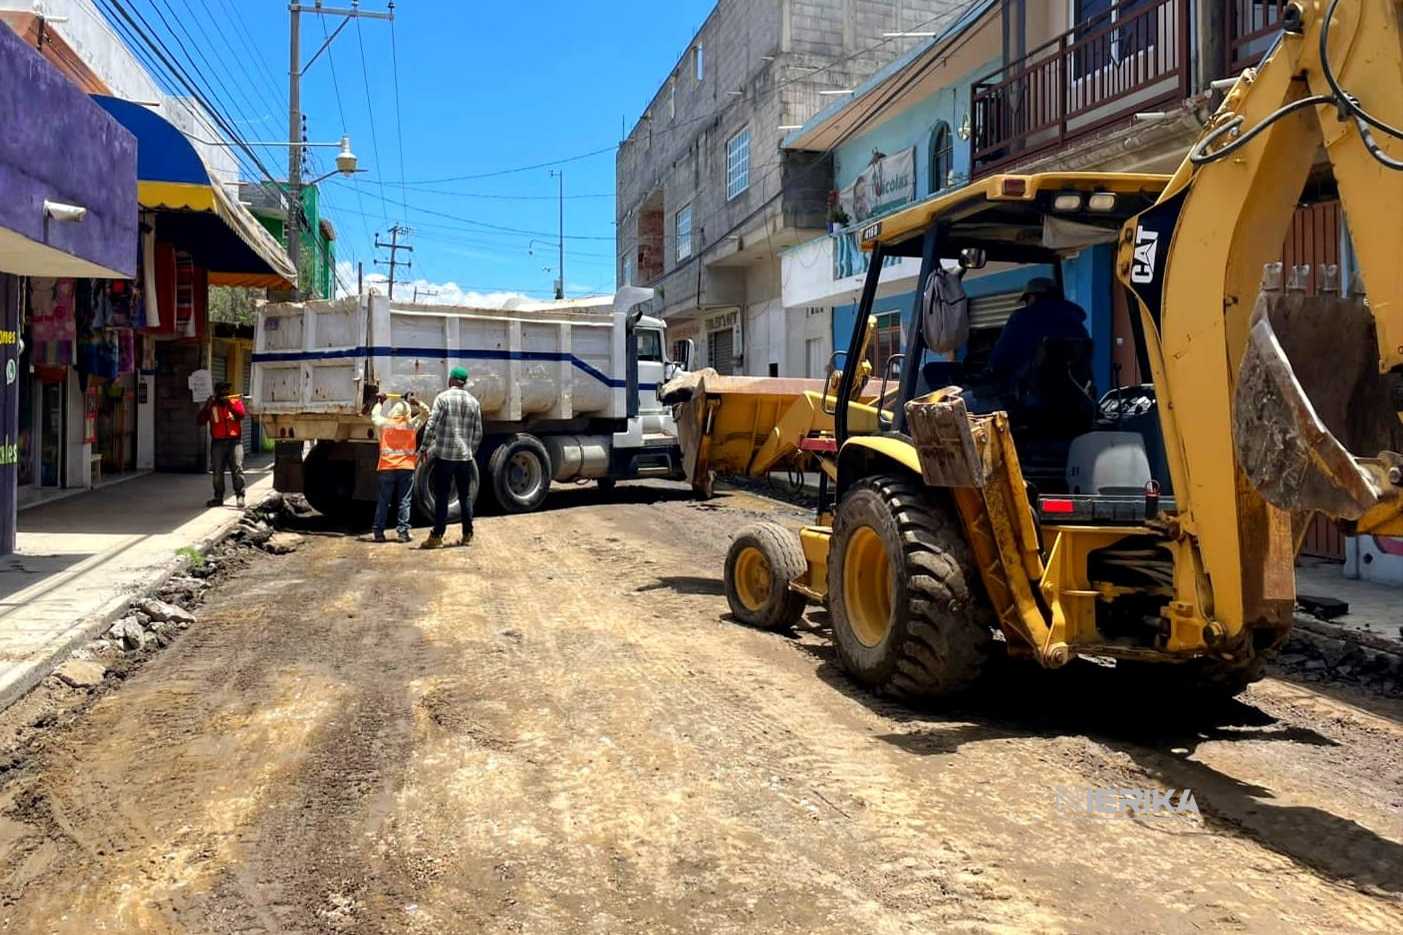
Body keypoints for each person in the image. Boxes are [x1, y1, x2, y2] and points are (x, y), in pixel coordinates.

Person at [987, 277, 1090, 394]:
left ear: (1033, 297)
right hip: (1075, 397)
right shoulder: (1075, 322)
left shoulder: (1022, 318)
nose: (1026, 304)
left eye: (1026, 300)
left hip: (1032, 400)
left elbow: (999, 358)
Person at [419, 366, 483, 550]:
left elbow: (431, 425)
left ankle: (437, 535)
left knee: (442, 496)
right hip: (464, 458)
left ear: (452, 380)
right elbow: (478, 433)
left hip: (445, 456)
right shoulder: (474, 402)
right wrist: (470, 452)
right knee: (465, 496)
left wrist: (424, 447)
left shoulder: (443, 398)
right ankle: (467, 534)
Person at [370, 392, 429, 543]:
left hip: (387, 467)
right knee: (404, 501)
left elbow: (374, 415)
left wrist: (380, 402)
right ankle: (403, 532)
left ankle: (378, 533)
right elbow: (426, 412)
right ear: (407, 413)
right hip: (406, 467)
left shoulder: (384, 424)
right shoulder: (410, 425)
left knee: (384, 501)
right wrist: (416, 402)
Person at [197, 382, 246, 508]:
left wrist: (229, 405)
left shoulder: (235, 402)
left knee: (237, 469)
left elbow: (241, 415)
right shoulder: (212, 405)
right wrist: (207, 407)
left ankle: (240, 496)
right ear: (217, 392)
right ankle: (218, 497)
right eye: (222, 391)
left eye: (227, 391)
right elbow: (200, 421)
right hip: (218, 442)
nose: (225, 393)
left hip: (235, 441)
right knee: (218, 472)